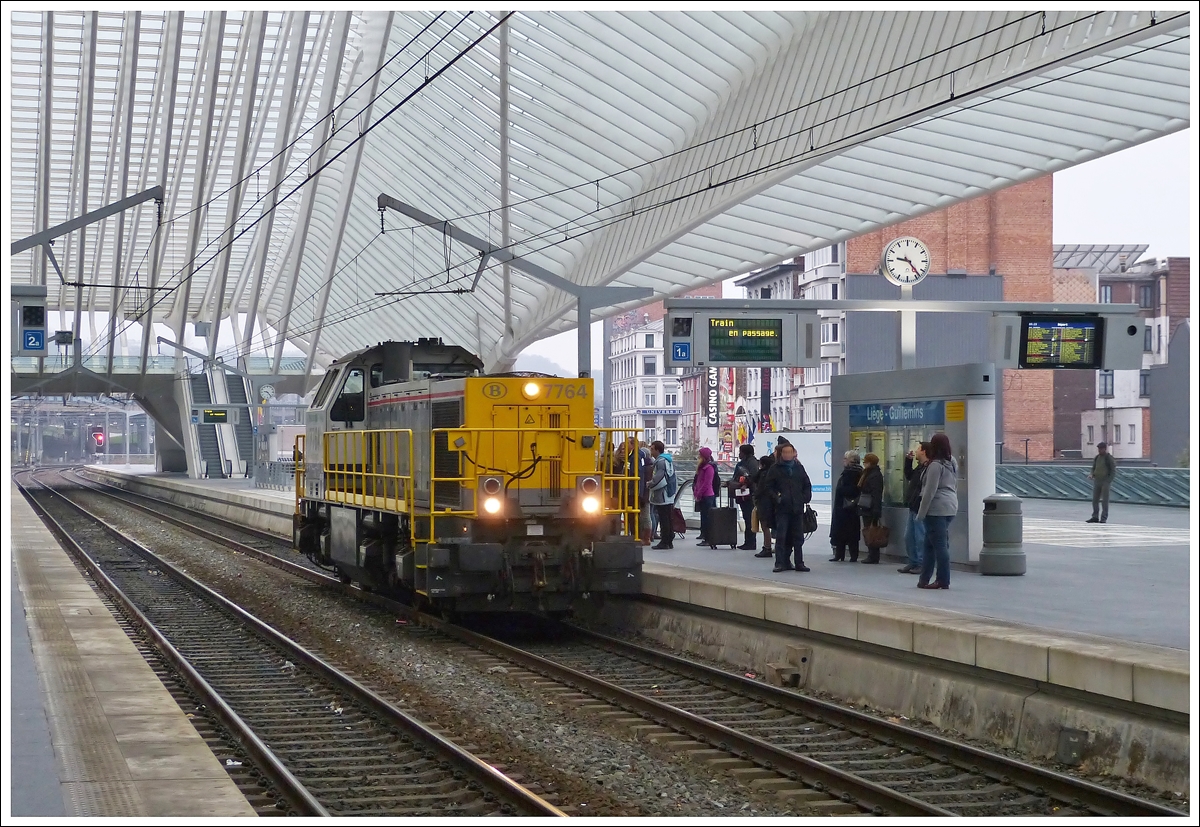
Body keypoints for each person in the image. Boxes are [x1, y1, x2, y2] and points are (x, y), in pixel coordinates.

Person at [761, 442, 812, 573]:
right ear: (781, 454)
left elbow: (807, 484)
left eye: (790, 452)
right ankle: (779, 563)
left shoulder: (799, 468)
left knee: (798, 537)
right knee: (781, 536)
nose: (788, 455)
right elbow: (768, 486)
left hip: (797, 507)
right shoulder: (775, 469)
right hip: (782, 508)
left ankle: (799, 562)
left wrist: (805, 497)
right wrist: (777, 498)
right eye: (785, 452)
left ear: (794, 453)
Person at [917, 432, 958, 590]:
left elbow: (929, 491)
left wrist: (921, 513)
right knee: (929, 544)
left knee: (940, 545)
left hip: (936, 509)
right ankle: (924, 579)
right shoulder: (952, 462)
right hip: (951, 506)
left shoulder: (935, 465)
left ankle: (943, 580)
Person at [898, 443, 930, 574]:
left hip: (920, 506)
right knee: (909, 536)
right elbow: (909, 475)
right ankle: (913, 561)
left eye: (918, 449)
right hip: (913, 506)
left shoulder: (929, 468)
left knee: (920, 536)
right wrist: (908, 461)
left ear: (924, 452)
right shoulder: (920, 467)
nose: (916, 451)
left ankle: (922, 563)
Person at [829, 450, 863, 562]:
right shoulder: (857, 472)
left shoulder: (851, 473)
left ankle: (842, 554)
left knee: (844, 531)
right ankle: (847, 554)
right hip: (849, 507)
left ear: (851, 461)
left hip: (846, 506)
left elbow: (853, 490)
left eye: (845, 458)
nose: (844, 461)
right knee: (849, 532)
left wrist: (841, 490)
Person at [730, 444, 760, 551]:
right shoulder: (744, 463)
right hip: (743, 493)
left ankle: (751, 542)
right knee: (747, 517)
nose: (739, 454)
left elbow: (753, 476)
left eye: (741, 452)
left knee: (749, 518)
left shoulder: (751, 463)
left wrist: (746, 484)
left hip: (748, 493)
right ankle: (748, 541)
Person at [648, 441, 676, 549]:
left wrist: (649, 484)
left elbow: (658, 477)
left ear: (657, 450)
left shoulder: (660, 462)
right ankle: (669, 540)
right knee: (668, 517)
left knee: (663, 517)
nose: (651, 451)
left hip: (662, 494)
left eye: (652, 449)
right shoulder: (668, 460)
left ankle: (665, 541)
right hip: (668, 492)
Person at [857, 453, 885, 564]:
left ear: (870, 462)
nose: (864, 464)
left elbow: (876, 494)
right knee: (869, 530)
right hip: (867, 506)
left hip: (871, 507)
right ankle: (872, 554)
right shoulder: (868, 473)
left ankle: (873, 555)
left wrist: (876, 510)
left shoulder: (874, 475)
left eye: (865, 462)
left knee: (872, 532)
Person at [752, 449, 776, 559]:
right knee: (769, 526)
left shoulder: (763, 474)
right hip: (771, 502)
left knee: (765, 526)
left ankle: (767, 547)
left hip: (764, 503)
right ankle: (769, 547)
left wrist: (755, 496)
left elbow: (760, 488)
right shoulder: (772, 473)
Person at [693, 446, 718, 545]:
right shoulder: (703, 467)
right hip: (703, 495)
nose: (698, 457)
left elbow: (707, 483)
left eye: (700, 455)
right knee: (704, 516)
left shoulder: (709, 468)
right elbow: (698, 481)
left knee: (707, 517)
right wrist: (696, 491)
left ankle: (708, 538)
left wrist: (699, 493)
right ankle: (705, 537)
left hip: (707, 495)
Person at [1087, 441, 1117, 523]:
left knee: (1104, 501)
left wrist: (1108, 481)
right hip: (1097, 480)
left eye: (1101, 449)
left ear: (1105, 449)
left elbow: (1113, 470)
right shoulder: (1097, 458)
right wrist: (1092, 474)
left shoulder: (1109, 458)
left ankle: (1103, 518)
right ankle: (1095, 516)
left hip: (1105, 481)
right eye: (1098, 449)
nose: (1099, 450)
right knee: (1095, 500)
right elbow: (1094, 467)